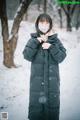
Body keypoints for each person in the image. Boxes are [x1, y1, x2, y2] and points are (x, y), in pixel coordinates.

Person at [22, 13, 67, 120]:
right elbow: (26, 55)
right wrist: (36, 41)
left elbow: (61, 57)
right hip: (36, 86)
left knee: (51, 111)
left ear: (50, 25)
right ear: (37, 24)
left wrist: (51, 47)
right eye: (42, 22)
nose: (44, 25)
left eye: (47, 23)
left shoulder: (55, 40)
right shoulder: (33, 39)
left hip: (52, 85)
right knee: (36, 111)